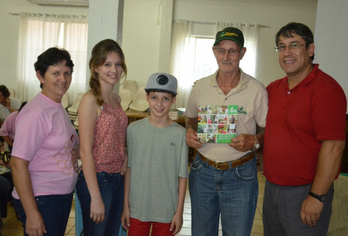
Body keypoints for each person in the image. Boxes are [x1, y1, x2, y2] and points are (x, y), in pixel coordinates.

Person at [262, 22, 346, 236]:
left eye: (294, 45)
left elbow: (334, 147)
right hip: (271, 189)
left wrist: (317, 197)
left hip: (305, 193)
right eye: (281, 46)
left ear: (310, 50)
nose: (286, 53)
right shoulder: (273, 88)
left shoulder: (326, 90)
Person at [185, 27, 268, 236]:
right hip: (202, 171)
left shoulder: (257, 89)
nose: (226, 56)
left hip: (241, 175)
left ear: (243, 53)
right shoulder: (200, 87)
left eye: (233, 51)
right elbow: (191, 119)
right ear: (214, 52)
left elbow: (269, 131)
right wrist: (190, 132)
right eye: (222, 50)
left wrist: (255, 141)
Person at [9, 47, 79, 236]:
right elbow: (17, 164)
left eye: (67, 73)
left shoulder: (57, 108)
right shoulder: (36, 112)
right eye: (55, 73)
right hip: (42, 198)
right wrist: (32, 214)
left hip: (59, 196)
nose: (63, 79)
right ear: (40, 76)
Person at [121, 73, 188, 236]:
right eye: (154, 97)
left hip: (166, 209)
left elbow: (182, 177)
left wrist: (179, 212)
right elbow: (129, 170)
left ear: (173, 101)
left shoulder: (180, 135)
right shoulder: (133, 130)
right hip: (138, 207)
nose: (159, 103)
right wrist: (125, 206)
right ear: (146, 98)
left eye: (165, 98)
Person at [75, 39, 128, 236]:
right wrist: (95, 196)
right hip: (98, 179)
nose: (114, 69)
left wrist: (125, 153)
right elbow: (85, 150)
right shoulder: (90, 100)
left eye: (118, 64)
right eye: (107, 64)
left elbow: (114, 138)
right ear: (95, 67)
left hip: (117, 179)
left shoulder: (117, 99)